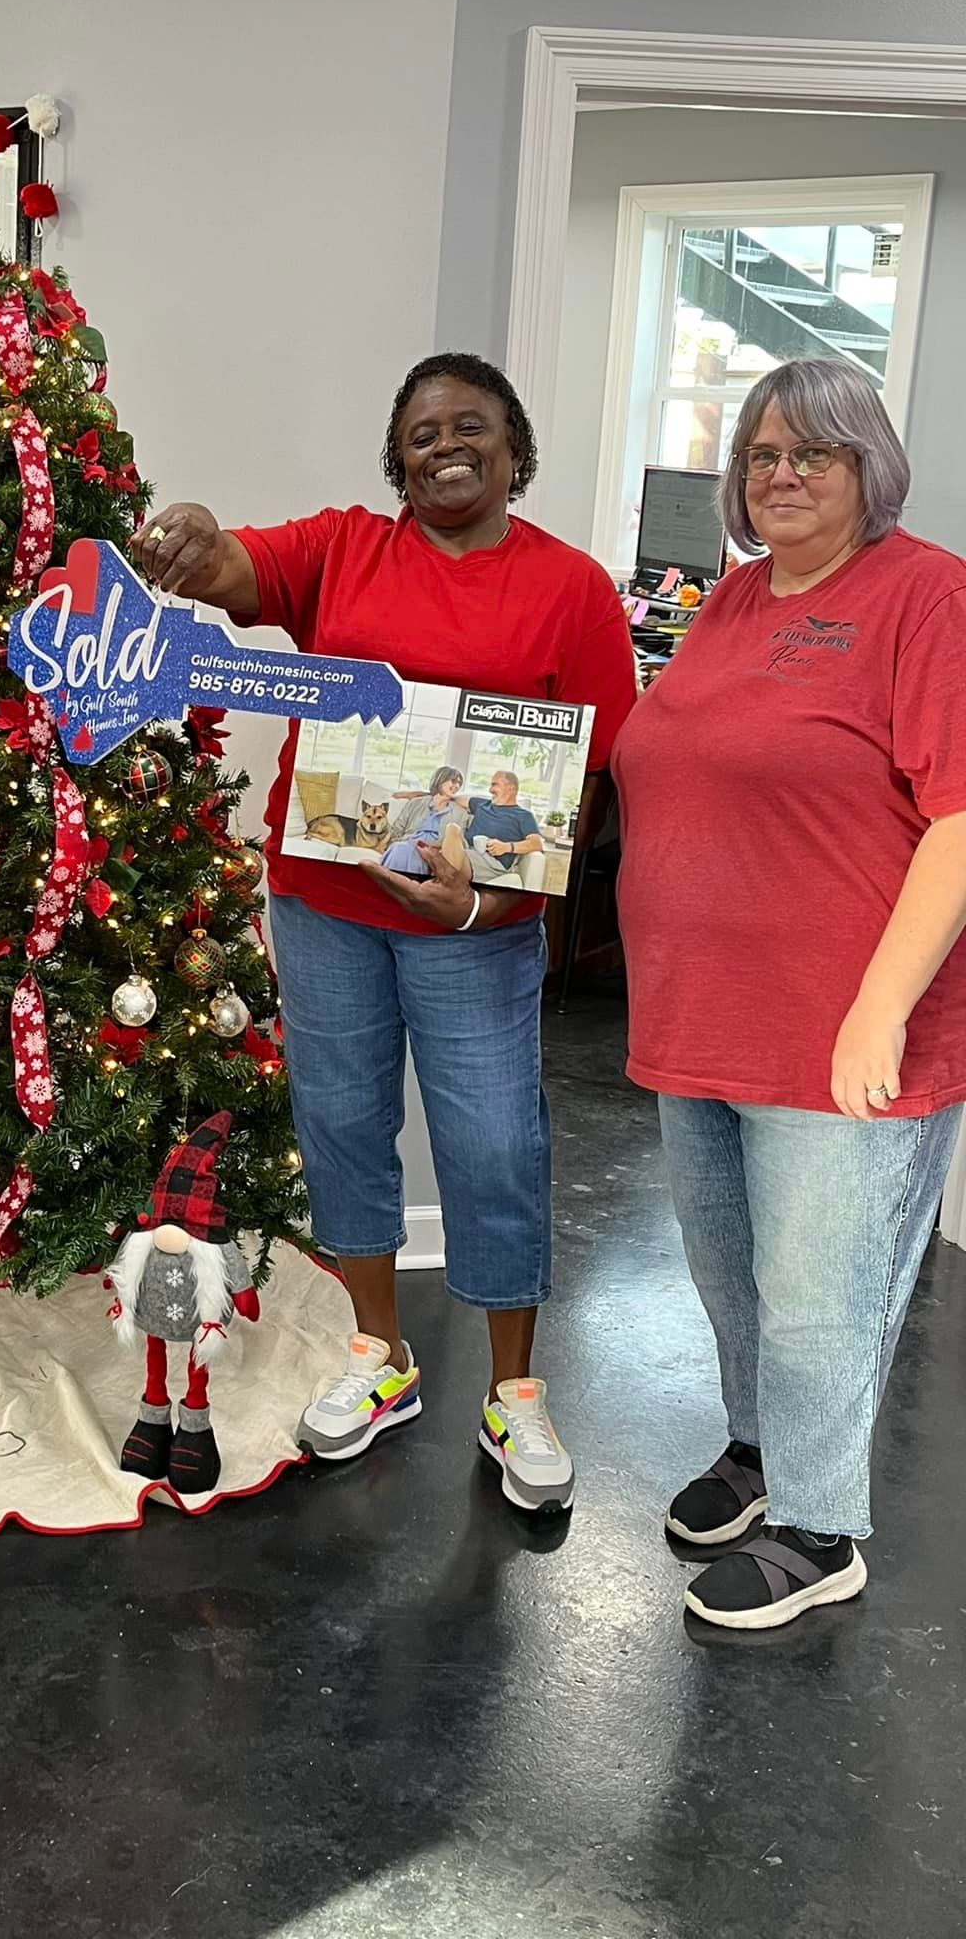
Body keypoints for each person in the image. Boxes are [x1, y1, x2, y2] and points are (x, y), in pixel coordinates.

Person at [131, 352, 638, 1515]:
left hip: (477, 925)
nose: (445, 444)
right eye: (420, 432)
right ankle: (380, 1357)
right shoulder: (343, 548)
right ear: (395, 457)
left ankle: (515, 1388)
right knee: (345, 1127)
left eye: (471, 426)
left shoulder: (571, 588)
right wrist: (195, 541)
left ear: (515, 446)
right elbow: (231, 565)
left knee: (495, 1145)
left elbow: (593, 771)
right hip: (324, 906)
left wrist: (491, 901)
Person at [613, 356, 966, 1627]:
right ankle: (762, 1452)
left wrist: (877, 1009)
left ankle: (825, 1526)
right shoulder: (734, 598)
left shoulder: (928, 596)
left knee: (824, 1292)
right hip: (700, 1014)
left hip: (842, 1031)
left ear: (869, 462)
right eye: (761, 454)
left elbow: (961, 819)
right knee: (732, 1273)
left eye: (812, 450)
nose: (783, 474)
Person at [378, 766, 470, 877]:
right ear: (440, 779)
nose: (457, 786)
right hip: (409, 842)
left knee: (402, 850)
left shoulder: (460, 813)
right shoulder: (415, 803)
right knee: (399, 848)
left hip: (434, 850)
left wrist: (437, 847)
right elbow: (397, 830)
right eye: (453, 781)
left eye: (459, 783)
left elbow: (459, 843)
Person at [463, 769, 543, 885]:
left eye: (494, 785)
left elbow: (536, 843)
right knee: (452, 830)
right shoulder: (482, 804)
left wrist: (506, 847)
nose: (490, 790)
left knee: (446, 858)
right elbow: (457, 799)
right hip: (466, 848)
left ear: (510, 788)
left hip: (489, 861)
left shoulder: (523, 815)